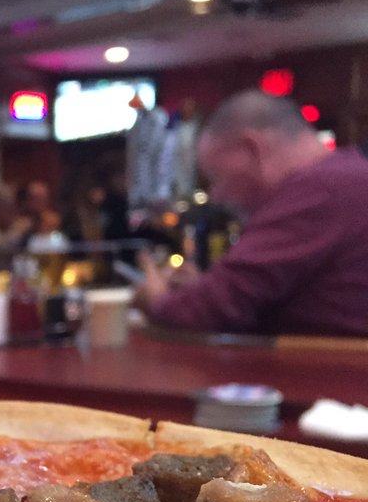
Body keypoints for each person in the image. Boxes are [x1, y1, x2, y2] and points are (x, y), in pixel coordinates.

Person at [137, 90, 368, 336]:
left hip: (327, 362)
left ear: (252, 149)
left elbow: (204, 311)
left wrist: (156, 297)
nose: (216, 196)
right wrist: (201, 287)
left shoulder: (319, 190)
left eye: (217, 178)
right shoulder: (347, 176)